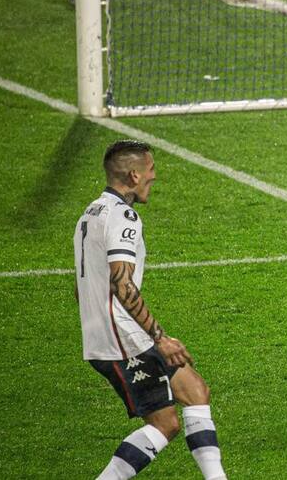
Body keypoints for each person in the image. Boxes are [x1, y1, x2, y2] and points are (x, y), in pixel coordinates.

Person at [73, 140, 226, 480]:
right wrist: (160, 338)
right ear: (133, 174)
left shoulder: (90, 213)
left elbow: (80, 285)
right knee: (164, 424)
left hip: (113, 331)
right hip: (121, 338)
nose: (154, 178)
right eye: (151, 170)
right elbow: (122, 286)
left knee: (195, 390)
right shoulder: (123, 216)